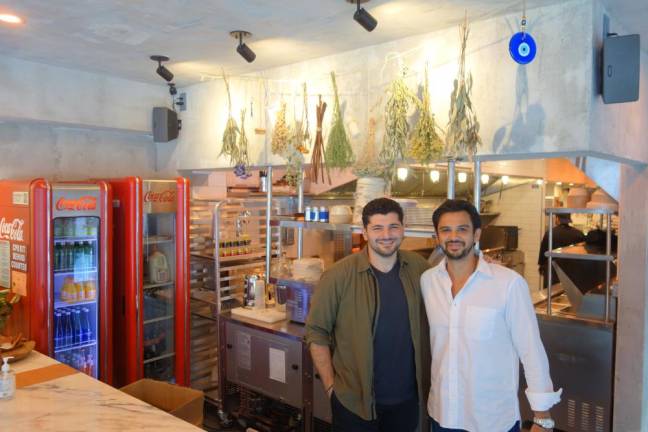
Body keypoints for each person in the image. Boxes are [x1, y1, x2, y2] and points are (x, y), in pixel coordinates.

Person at [421, 199, 561, 432]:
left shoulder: (508, 284)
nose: (453, 236)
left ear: (476, 234)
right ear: (437, 236)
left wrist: (542, 417)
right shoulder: (428, 282)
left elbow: (531, 350)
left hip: (491, 418)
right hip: (442, 414)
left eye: (462, 229)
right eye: (445, 230)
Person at [305, 197, 430, 432]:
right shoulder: (338, 276)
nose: (386, 234)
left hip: (407, 403)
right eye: (377, 228)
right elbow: (316, 332)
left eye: (393, 226)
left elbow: (453, 286)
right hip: (354, 405)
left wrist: (483, 265)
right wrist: (331, 388)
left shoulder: (419, 268)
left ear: (403, 229)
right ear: (364, 232)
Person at [537, 213, 585, 288]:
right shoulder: (578, 234)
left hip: (553, 271)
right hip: (572, 272)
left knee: (552, 295)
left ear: (557, 218)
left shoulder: (550, 233)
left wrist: (541, 266)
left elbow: (543, 252)